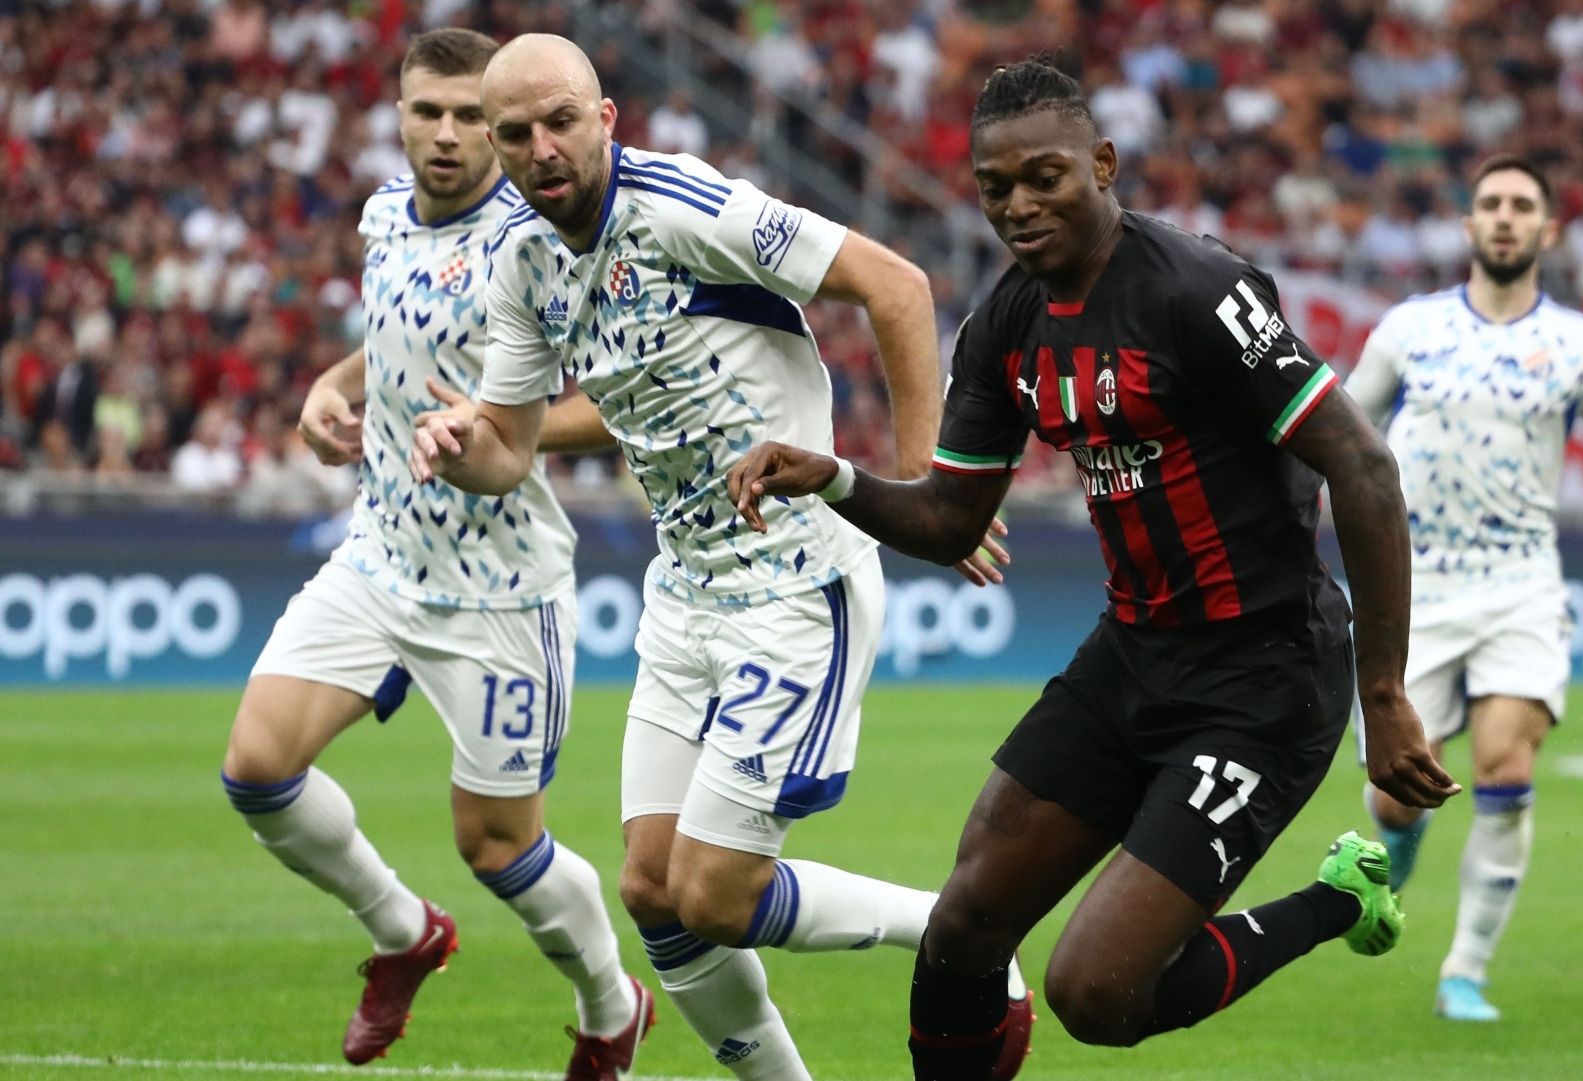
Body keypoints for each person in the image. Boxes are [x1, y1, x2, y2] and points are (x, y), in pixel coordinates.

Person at [726, 59, 1458, 1078]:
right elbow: (950, 519)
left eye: (1046, 178)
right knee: (963, 923)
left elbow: (1365, 466)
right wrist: (836, 476)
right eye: (996, 188)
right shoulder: (1005, 324)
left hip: (1265, 678)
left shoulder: (1198, 292)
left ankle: (1338, 898)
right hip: (1132, 655)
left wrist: (1384, 695)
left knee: (1096, 992)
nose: (1019, 207)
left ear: (1103, 165)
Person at [409, 34, 1025, 1081]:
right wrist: (457, 443)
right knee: (652, 889)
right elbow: (508, 450)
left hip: (796, 586)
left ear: (606, 120)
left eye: (561, 121)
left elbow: (896, 286)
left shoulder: (682, 206)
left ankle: (960, 931)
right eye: (514, 132)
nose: (541, 147)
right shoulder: (520, 256)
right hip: (685, 592)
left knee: (716, 893)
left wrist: (930, 487)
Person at [218, 29, 648, 1080]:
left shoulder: (540, 240)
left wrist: (502, 427)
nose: (447, 135)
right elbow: (396, 335)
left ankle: (611, 1004)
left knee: (497, 845)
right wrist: (331, 386)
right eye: (428, 112)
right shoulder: (383, 215)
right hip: (380, 555)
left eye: (468, 116)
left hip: (499, 587)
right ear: (400, 117)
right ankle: (404, 932)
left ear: (498, 127)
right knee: (258, 769)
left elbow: (624, 395)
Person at [1344, 154, 1583, 1023]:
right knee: (1395, 791)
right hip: (1414, 587)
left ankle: (1464, 971)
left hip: (1521, 586)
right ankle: (1402, 836)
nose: (1505, 217)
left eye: (1522, 206)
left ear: (1548, 229)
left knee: (1506, 763)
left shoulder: (1582, 345)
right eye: (1492, 204)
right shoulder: (1409, 329)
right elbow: (1345, 429)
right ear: (1470, 224)